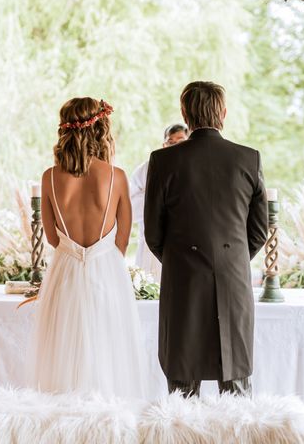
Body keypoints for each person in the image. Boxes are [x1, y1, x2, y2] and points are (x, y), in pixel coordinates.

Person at [144, 81, 267, 397]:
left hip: (183, 280)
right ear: (223, 113)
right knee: (236, 385)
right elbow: (258, 231)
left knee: (183, 388)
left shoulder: (163, 161)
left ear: (185, 114)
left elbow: (153, 233)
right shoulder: (248, 159)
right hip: (234, 277)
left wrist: (183, 260)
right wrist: (230, 258)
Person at [31, 97, 146, 398]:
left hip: (65, 269)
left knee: (63, 348)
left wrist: (74, 252)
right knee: (108, 348)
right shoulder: (116, 176)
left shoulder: (49, 178)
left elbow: (53, 238)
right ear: (100, 130)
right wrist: (100, 256)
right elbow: (123, 237)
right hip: (106, 270)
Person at [130, 124, 188, 281]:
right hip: (150, 244)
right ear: (164, 144)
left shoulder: (193, 169)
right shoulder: (147, 169)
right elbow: (130, 208)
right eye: (171, 142)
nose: (175, 146)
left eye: (181, 141)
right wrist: (159, 201)